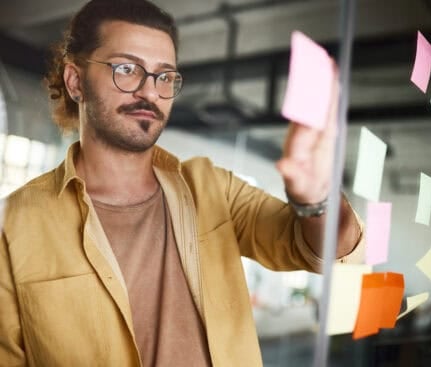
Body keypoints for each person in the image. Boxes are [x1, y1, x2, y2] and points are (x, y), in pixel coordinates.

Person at [0, 0, 364, 366]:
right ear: (75, 81)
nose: (150, 91)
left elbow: (323, 250)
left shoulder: (212, 189)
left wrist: (316, 199)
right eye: (127, 69)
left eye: (164, 76)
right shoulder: (14, 225)